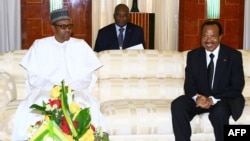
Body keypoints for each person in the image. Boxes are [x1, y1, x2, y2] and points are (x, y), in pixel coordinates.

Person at [11, 8, 104, 140]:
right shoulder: (40, 46)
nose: (67, 30)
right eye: (62, 26)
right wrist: (55, 88)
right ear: (53, 28)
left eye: (69, 26)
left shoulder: (81, 45)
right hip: (46, 91)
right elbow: (33, 78)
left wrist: (69, 88)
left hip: (75, 90)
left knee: (83, 105)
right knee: (38, 106)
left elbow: (87, 76)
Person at [171, 20, 245, 141]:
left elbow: (237, 86)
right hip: (201, 98)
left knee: (219, 112)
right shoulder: (193, 56)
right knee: (178, 104)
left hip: (223, 99)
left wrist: (211, 100)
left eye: (212, 36)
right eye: (205, 36)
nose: (208, 40)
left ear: (220, 37)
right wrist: (197, 98)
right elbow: (189, 85)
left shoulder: (233, 56)